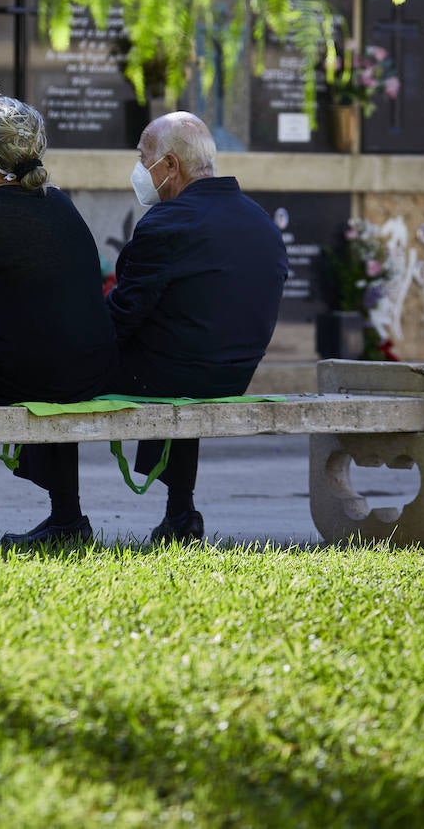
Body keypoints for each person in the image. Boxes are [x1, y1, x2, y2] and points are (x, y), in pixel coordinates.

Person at [0, 94, 117, 546]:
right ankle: (67, 519)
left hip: (23, 370)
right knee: (47, 348)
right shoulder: (63, 206)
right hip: (88, 369)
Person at [107, 111, 289, 543]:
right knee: (176, 349)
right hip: (234, 374)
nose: (138, 169)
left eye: (143, 158)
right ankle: (180, 512)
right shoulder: (259, 219)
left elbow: (120, 318)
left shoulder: (168, 223)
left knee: (50, 365)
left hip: (176, 372)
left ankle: (65, 514)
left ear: (170, 166)